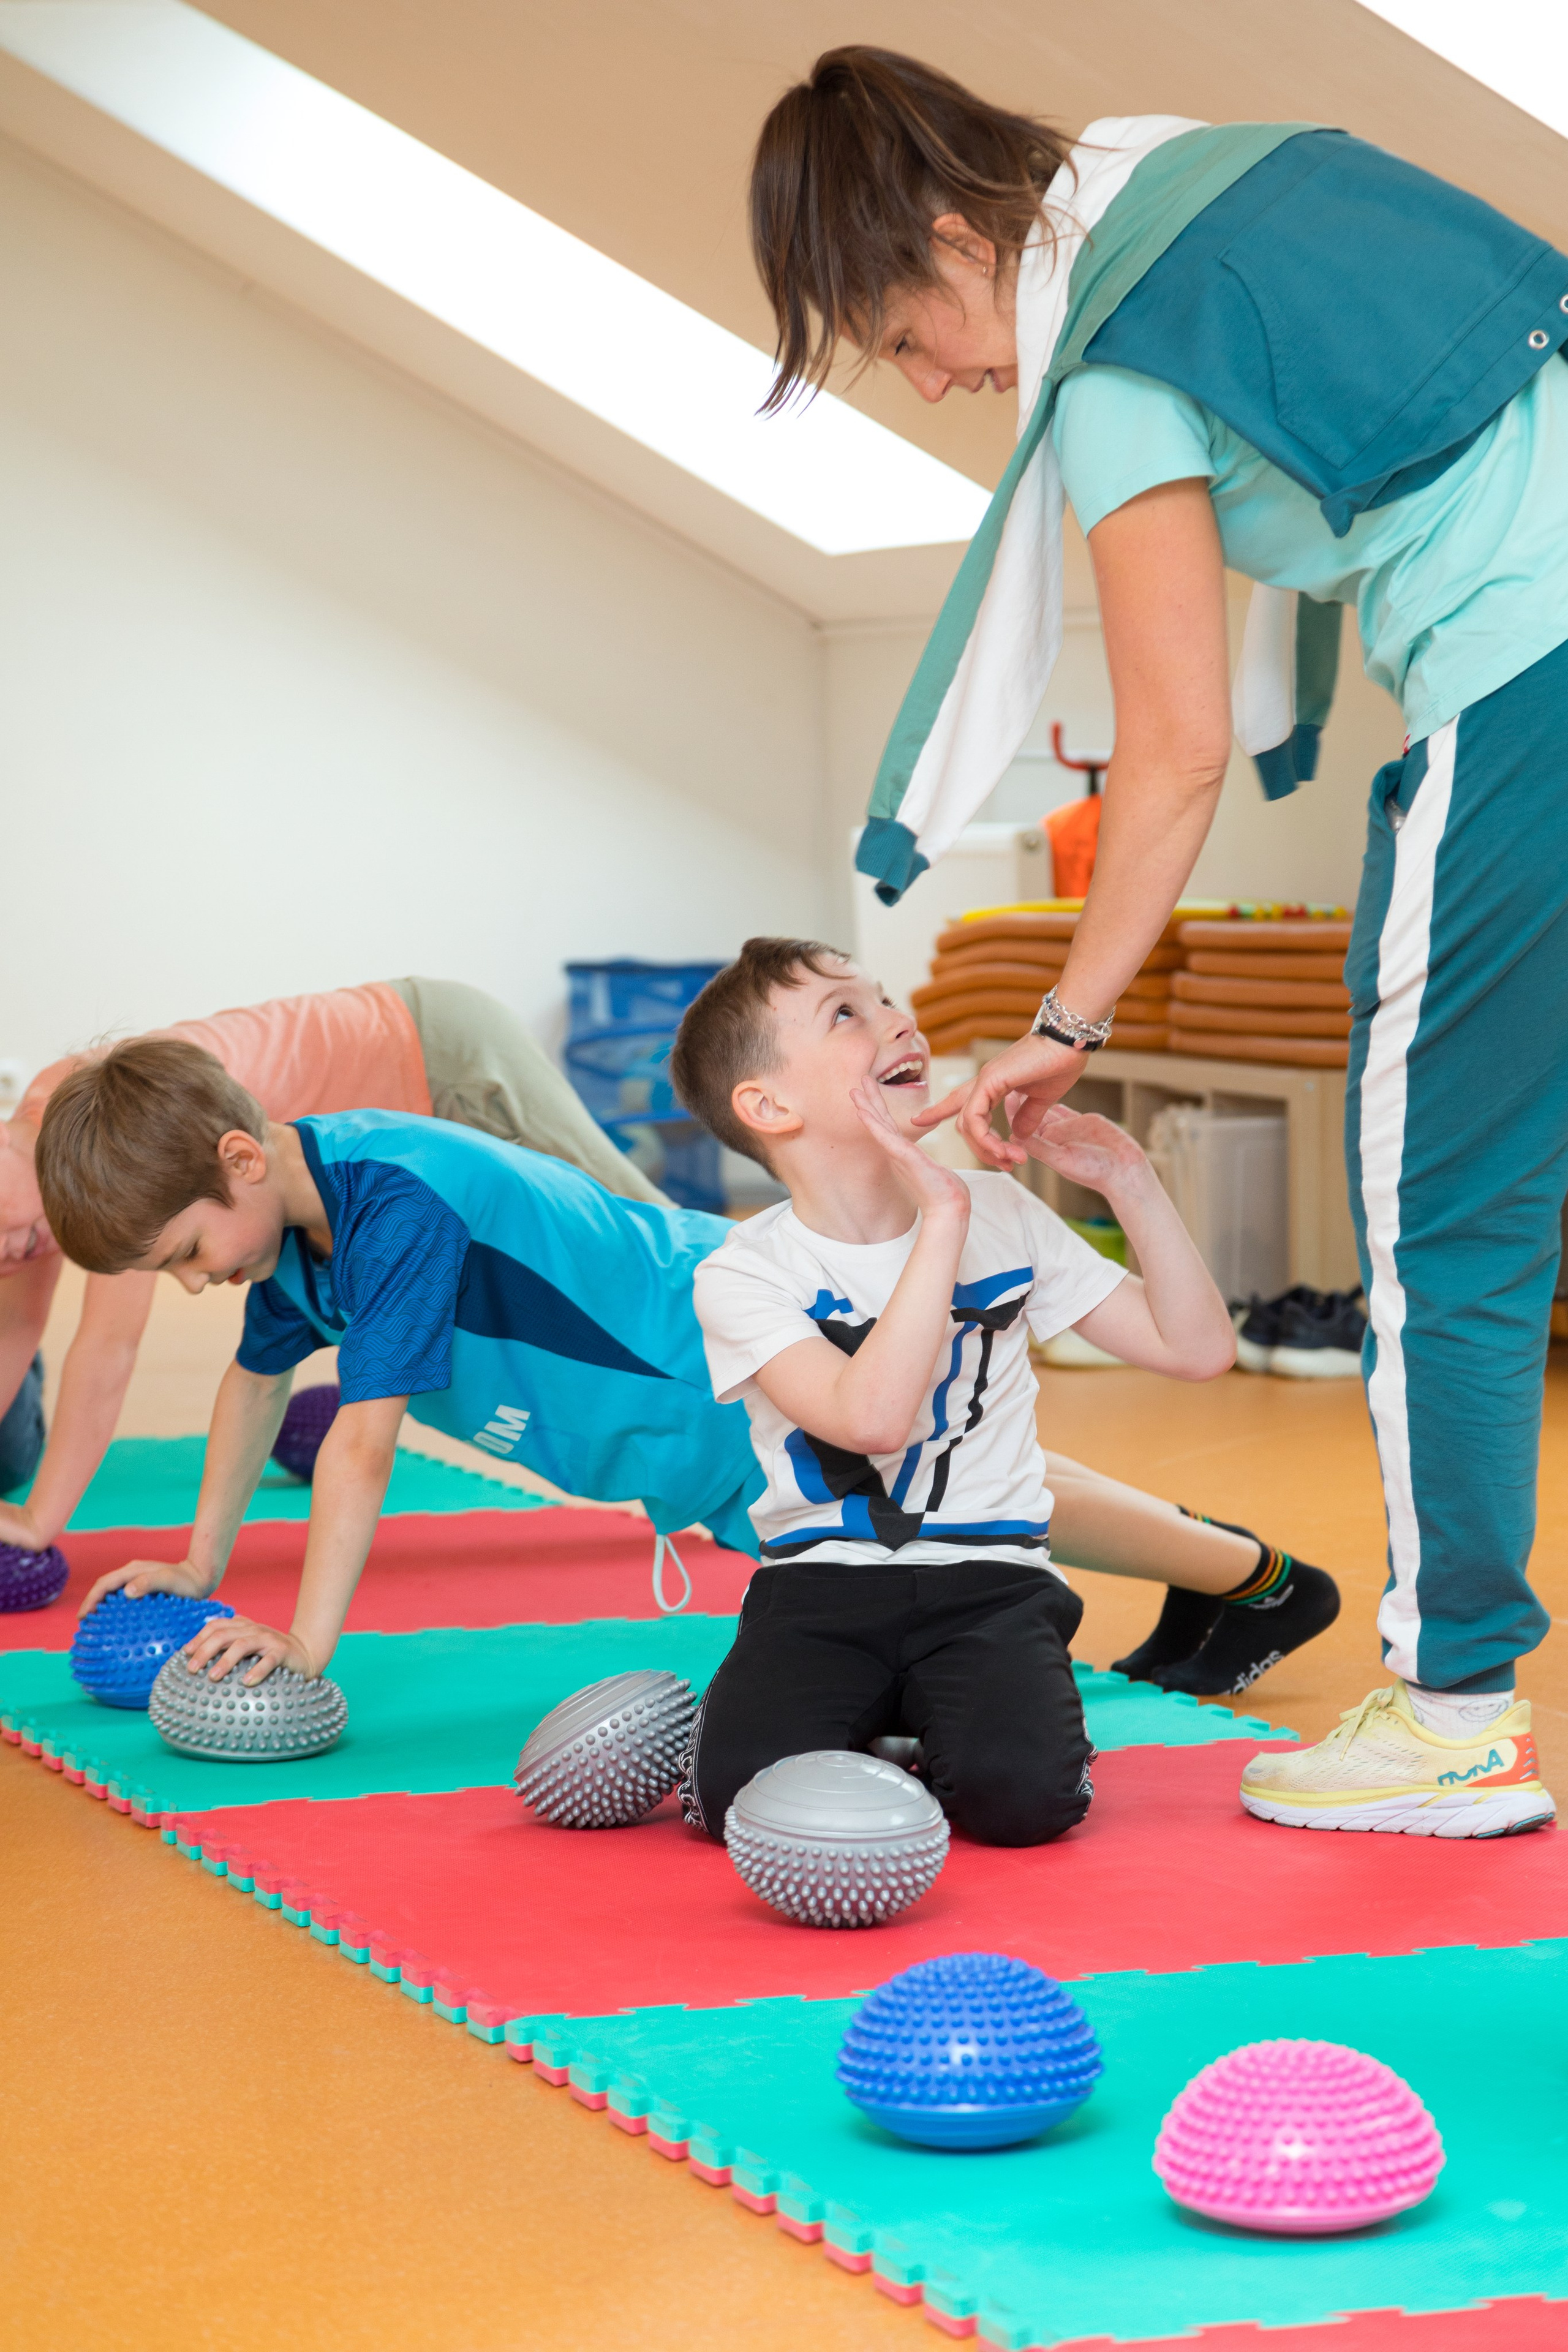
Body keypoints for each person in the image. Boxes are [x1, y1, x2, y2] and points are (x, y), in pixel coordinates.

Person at [748, 49, 1566, 1838]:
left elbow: (1173, 747)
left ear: (959, 238)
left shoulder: (1116, 356)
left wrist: (1063, 1014)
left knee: (1442, 1227)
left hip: (1527, 683)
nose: (947, 378)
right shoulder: (1224, 171)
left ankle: (1447, 1710)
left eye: (903, 330)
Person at [669, 938, 1336, 1844]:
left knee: (1025, 1807)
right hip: (820, 1588)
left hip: (992, 1582)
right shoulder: (743, 1270)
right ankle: (891, 1737)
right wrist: (944, 1215)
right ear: (769, 1105)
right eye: (845, 1014)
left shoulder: (1010, 1214)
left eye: (886, 998)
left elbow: (1196, 1350)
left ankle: (916, 1739)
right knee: (736, 1806)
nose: (898, 1022)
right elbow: (871, 1418)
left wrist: (1130, 1182)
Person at [34, 1040, 754, 1681]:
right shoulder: (286, 1225)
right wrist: (200, 1565)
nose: (192, 1284)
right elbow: (255, 1383)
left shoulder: (397, 1207)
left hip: (746, 1378)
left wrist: (308, 1644)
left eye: (188, 1253)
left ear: (241, 1159)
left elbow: (362, 1445)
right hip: (688, 1453)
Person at [0, 977, 664, 1552]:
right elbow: (11, 1333)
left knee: (641, 1235)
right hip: (394, 1151)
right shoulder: (37, 1190)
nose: (13, 1252)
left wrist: (38, 1519)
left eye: (9, 1230)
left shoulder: (115, 1153)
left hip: (437, 1051)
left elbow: (108, 1348)